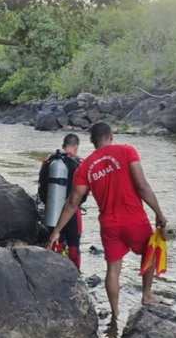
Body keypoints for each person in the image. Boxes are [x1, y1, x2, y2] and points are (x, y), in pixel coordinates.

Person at [46, 122, 167, 318]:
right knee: (150, 253)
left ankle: (115, 313)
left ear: (91, 140)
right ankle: (146, 295)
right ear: (111, 137)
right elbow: (143, 186)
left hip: (109, 225)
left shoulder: (84, 166)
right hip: (134, 218)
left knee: (113, 270)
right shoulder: (127, 150)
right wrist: (159, 214)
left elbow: (72, 203)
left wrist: (56, 231)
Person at [39, 133, 84, 270]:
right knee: (74, 246)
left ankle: (53, 271)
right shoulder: (80, 163)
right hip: (72, 212)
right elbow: (85, 193)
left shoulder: (48, 161)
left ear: (63, 146)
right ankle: (76, 275)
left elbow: (42, 187)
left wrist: (49, 203)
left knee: (55, 241)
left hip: (52, 209)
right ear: (76, 147)